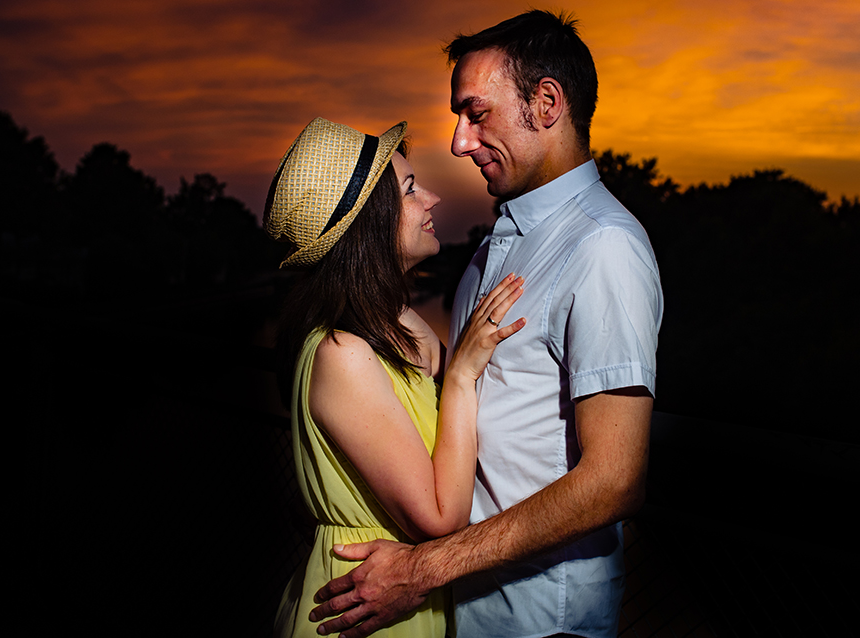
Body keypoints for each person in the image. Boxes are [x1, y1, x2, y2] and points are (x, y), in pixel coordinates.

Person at [310, 10, 663, 638]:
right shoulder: (491, 247)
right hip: (462, 610)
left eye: (476, 113)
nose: (458, 141)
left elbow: (614, 482)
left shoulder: (602, 246)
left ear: (547, 103)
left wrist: (422, 569)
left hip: (541, 620)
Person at [264, 117, 525, 637]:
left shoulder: (389, 325)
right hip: (364, 597)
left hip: (402, 587)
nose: (432, 198)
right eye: (410, 190)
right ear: (369, 225)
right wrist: (461, 375)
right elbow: (438, 517)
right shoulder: (342, 353)